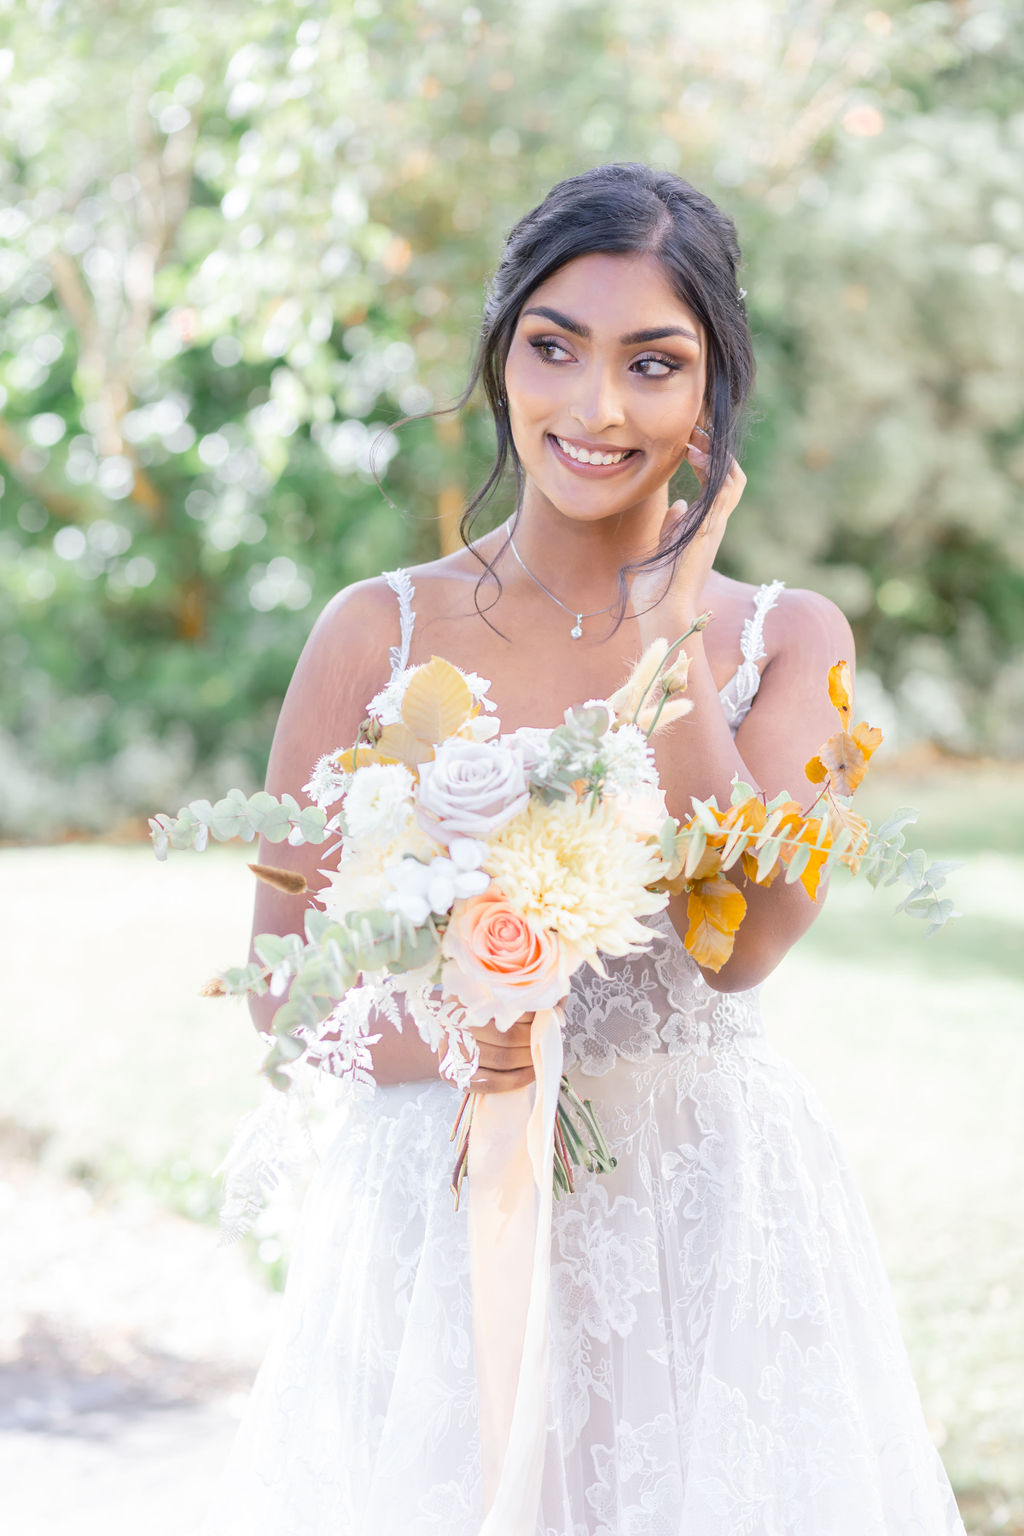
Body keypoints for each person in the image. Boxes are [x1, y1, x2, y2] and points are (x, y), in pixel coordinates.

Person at [201, 163, 966, 1534]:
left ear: (711, 401)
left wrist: (662, 645)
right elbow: (283, 982)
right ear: (503, 357)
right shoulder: (372, 633)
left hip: (704, 1218)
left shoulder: (793, 642)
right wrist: (491, 1028)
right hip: (438, 1217)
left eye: (653, 365)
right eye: (554, 347)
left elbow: (745, 950)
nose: (597, 406)